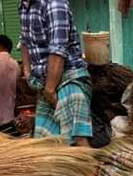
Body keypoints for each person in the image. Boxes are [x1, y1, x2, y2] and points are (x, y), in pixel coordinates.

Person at [19, 0, 92, 146]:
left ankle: (91, 168)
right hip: (46, 84)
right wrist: (27, 71)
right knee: (44, 142)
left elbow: (58, 50)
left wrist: (50, 89)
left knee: (77, 141)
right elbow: (24, 40)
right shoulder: (23, 5)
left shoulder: (54, 3)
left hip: (68, 78)